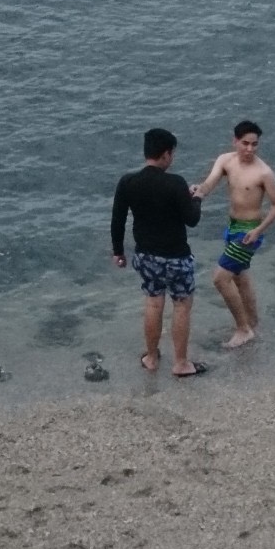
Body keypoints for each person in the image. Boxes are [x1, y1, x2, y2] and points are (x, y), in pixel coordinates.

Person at [111, 128, 208, 377]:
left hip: (146, 256)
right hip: (176, 257)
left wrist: (118, 252)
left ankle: (152, 358)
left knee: (153, 304)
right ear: (166, 154)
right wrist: (196, 198)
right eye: (171, 154)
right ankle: (181, 363)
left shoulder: (128, 182)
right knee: (181, 305)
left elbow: (118, 220)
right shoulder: (175, 183)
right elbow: (191, 219)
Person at [191, 120, 275, 348]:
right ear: (235, 141)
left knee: (220, 278)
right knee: (240, 278)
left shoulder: (263, 172)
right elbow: (209, 183)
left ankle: (243, 330)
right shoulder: (226, 161)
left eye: (254, 144)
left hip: (249, 231)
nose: (250, 149)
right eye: (245, 144)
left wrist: (258, 230)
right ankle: (252, 321)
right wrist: (198, 192)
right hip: (232, 226)